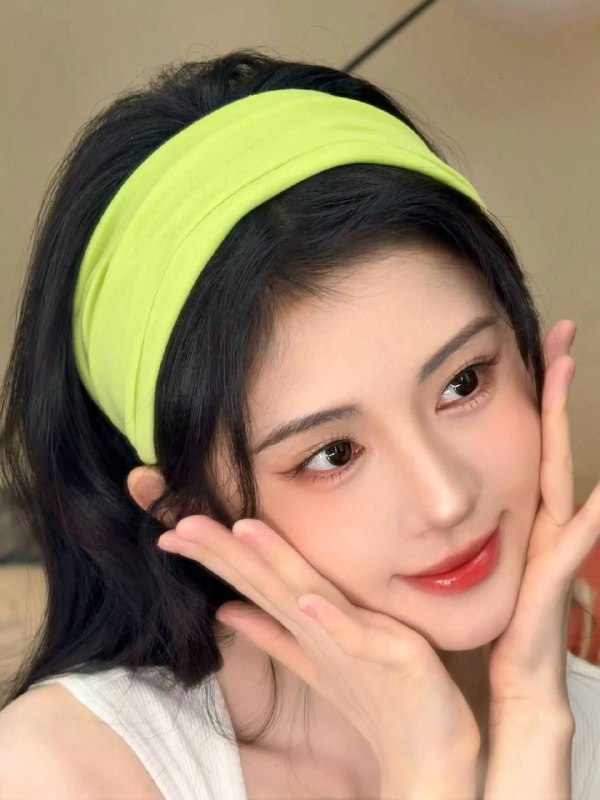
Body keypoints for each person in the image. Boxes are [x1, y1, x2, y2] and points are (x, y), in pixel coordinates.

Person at [0, 48, 599, 800]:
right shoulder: (60, 772)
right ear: (186, 507)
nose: (446, 499)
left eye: (463, 382)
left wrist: (534, 715)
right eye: (333, 453)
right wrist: (431, 768)